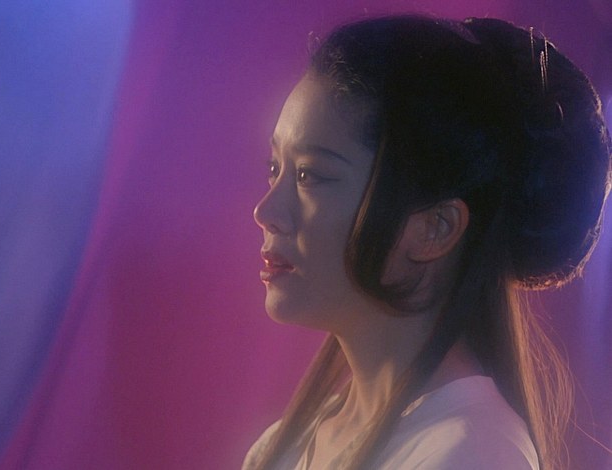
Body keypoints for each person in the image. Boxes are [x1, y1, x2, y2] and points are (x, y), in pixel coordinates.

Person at [244, 15, 611, 470]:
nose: (266, 212)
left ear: (434, 228)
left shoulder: (471, 452)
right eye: (275, 168)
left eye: (310, 175)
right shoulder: (280, 447)